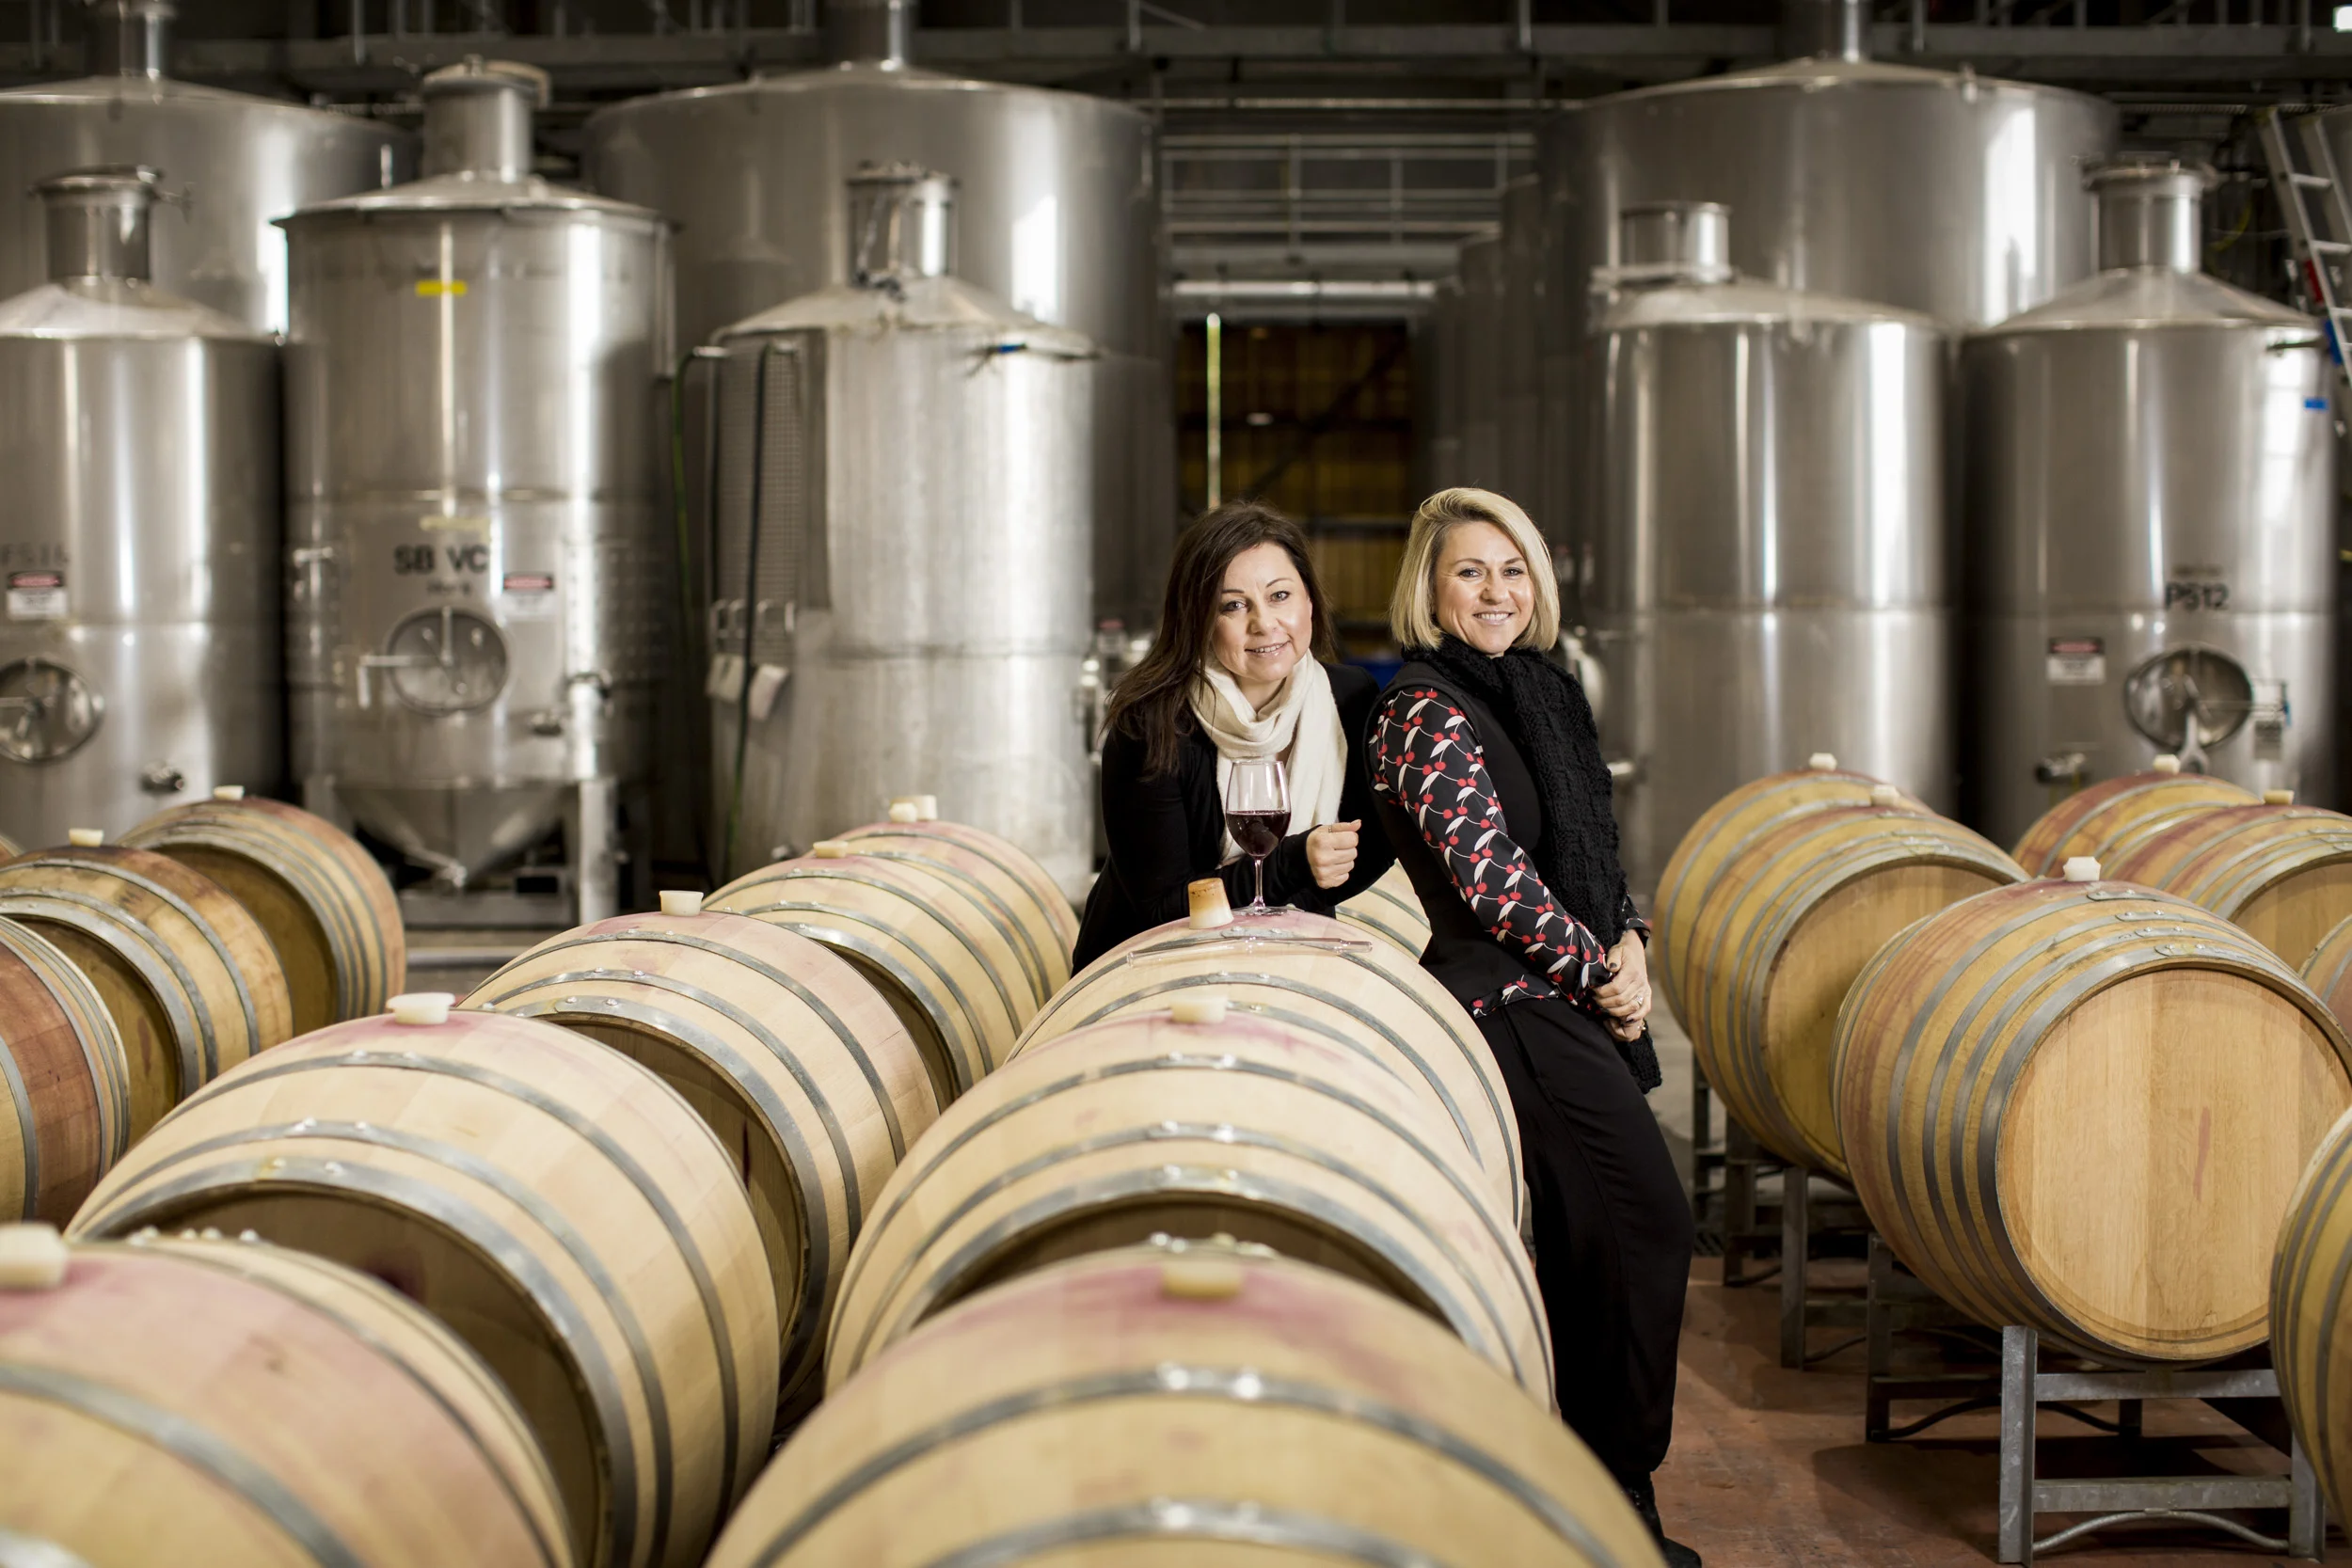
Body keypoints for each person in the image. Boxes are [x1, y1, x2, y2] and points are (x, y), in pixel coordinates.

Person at [1366, 486, 1699, 1567]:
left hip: (1560, 989)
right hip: (1501, 1000)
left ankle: (1585, 1496)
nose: (1495, 591)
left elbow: (1591, 847)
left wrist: (1631, 939)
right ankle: (1613, 1499)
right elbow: (1491, 880)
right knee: (1644, 1222)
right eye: (1469, 571)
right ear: (1429, 590)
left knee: (1592, 1242)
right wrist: (1600, 973)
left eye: (1512, 570)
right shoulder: (1421, 710)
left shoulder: (1543, 692)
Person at [1075, 499, 1395, 970]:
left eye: (1280, 596)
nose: (1264, 623)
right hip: (1148, 967)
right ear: (1199, 618)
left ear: (1309, 600)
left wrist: (1307, 882)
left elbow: (1369, 846)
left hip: (1286, 952)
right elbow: (1161, 908)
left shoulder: (1350, 697)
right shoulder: (1151, 724)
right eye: (1233, 605)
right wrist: (1293, 863)